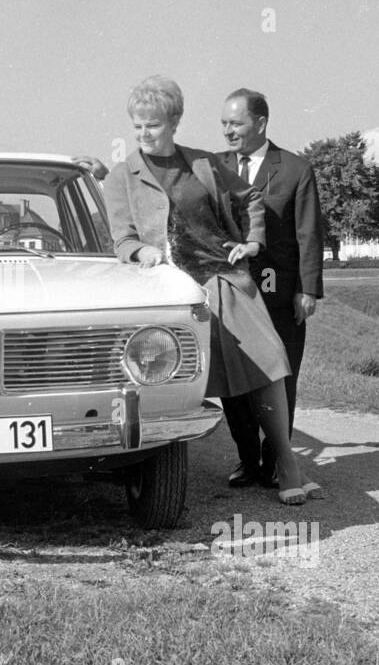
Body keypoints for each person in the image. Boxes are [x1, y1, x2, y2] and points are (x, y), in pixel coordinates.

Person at [101, 76, 320, 506]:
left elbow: (251, 198)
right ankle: (158, 479)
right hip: (170, 289)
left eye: (154, 126)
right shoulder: (120, 178)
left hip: (223, 277)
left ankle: (288, 465)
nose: (145, 134)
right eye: (138, 126)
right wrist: (141, 249)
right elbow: (121, 241)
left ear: (175, 122)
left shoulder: (203, 164)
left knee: (268, 362)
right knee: (183, 378)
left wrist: (253, 240)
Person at [217, 89, 325, 488]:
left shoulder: (296, 169)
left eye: (236, 123)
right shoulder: (213, 168)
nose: (228, 131)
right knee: (233, 381)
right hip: (231, 295)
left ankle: (276, 460)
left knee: (282, 378)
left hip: (280, 295)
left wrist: (307, 290)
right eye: (224, 124)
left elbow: (309, 233)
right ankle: (247, 459)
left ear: (260, 124)